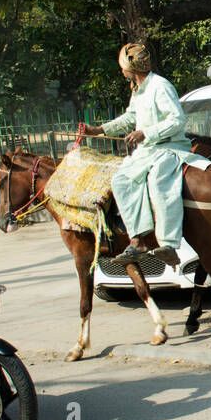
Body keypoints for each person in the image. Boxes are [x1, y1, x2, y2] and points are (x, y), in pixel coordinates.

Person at [81, 43, 191, 266]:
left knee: (158, 180)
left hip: (170, 148)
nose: (121, 71)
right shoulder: (138, 91)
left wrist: (145, 133)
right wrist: (99, 130)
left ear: (130, 67)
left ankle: (169, 243)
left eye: (122, 66)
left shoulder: (161, 86)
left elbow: (177, 120)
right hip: (148, 151)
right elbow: (130, 118)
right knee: (121, 180)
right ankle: (138, 239)